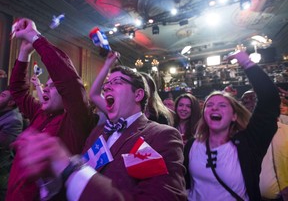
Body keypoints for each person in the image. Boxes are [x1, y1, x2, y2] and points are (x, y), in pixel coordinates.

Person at [14, 52, 187, 201]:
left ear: (138, 94)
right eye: (107, 84)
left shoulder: (160, 136)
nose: (108, 87)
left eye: (117, 81)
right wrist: (49, 176)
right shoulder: (97, 132)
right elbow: (75, 189)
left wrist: (68, 167)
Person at [6, 18, 95, 201]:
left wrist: (34, 37)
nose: (45, 88)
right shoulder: (40, 112)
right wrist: (24, 52)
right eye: (45, 85)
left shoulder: (75, 122)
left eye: (53, 86)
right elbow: (17, 89)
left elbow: (69, 82)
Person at [184, 50, 280, 201]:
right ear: (204, 114)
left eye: (222, 105)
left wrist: (246, 62)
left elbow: (270, 99)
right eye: (209, 105)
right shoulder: (191, 145)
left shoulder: (249, 144)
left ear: (234, 116)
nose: (215, 108)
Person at [241, 90, 288, 200]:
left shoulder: (285, 131)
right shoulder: (236, 135)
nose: (252, 104)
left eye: (256, 100)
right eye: (246, 102)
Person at [0, 89, 23, 200]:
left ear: (10, 103)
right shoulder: (3, 112)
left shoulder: (14, 120)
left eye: (2, 96)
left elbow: (2, 145)